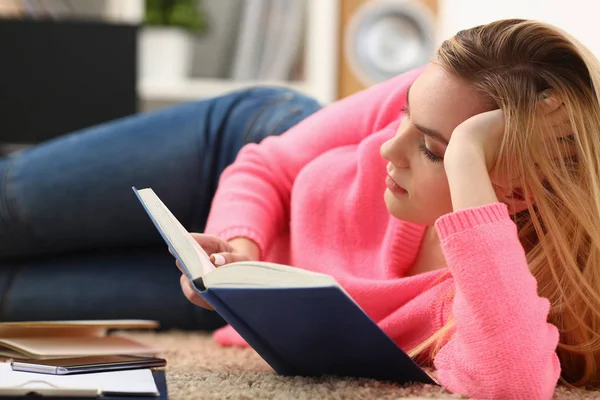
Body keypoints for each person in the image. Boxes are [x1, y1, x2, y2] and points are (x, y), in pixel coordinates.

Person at [0, 17, 598, 399]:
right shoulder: (444, 100)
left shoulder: (508, 287)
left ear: (514, 193)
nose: (387, 149)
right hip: (234, 168)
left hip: (239, 304)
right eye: (403, 115)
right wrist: (240, 243)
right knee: (10, 215)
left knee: (13, 292)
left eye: (431, 148)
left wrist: (467, 157)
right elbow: (267, 163)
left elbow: (512, 381)